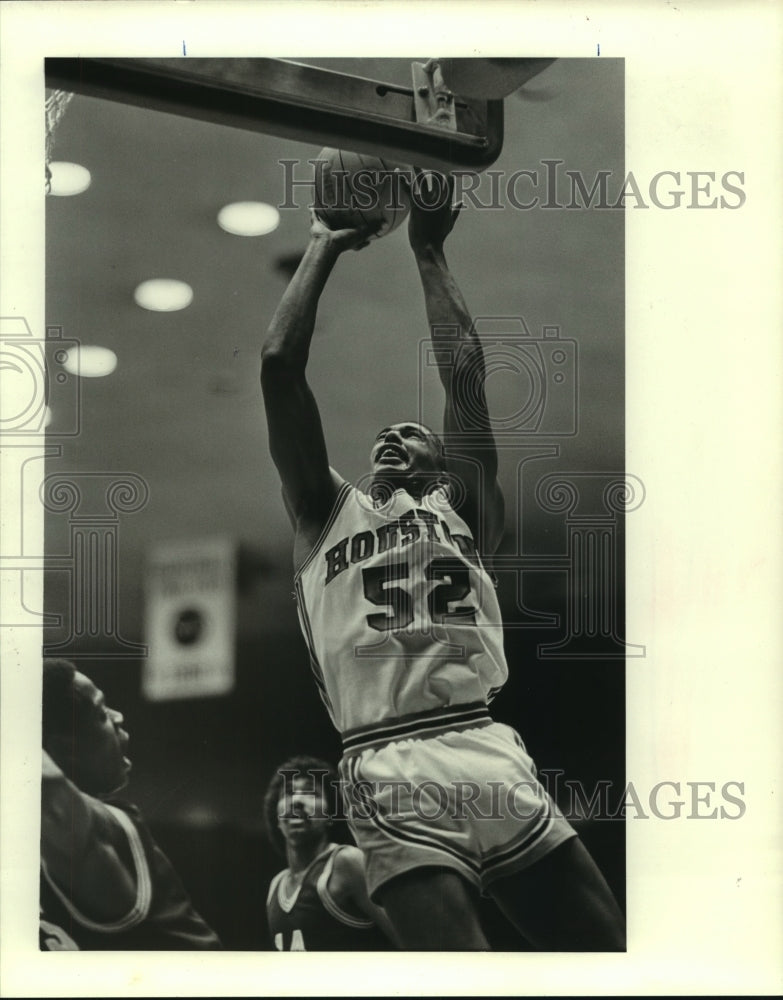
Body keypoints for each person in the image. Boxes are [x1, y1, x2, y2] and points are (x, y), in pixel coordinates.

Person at [260, 172, 626, 950]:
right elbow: (277, 371)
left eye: (410, 433)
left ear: (442, 462)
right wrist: (325, 239)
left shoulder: (465, 510)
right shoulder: (324, 515)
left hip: (483, 743)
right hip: (384, 758)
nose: (392, 437)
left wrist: (429, 250)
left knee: (600, 951)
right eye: (382, 436)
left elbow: (463, 375)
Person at [40, 657, 222, 950]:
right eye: (101, 712)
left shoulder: (109, 828)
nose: (119, 716)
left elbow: (48, 793)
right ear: (66, 747)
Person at [263, 755, 396, 950]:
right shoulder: (276, 887)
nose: (297, 801)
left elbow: (411, 945)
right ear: (277, 818)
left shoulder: (346, 862)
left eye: (312, 793)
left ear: (331, 815)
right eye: (289, 793)